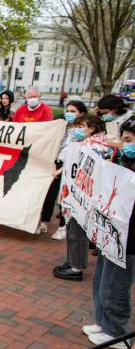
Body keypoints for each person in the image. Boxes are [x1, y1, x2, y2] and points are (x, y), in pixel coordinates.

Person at [84, 119, 135, 349]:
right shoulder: (122, 161)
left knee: (114, 285)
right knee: (101, 280)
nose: (122, 144)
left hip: (127, 238)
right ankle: (103, 323)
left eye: (128, 140)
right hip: (110, 231)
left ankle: (117, 331)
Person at [54, 113, 109, 280]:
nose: (77, 130)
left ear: (91, 128)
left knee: (77, 233)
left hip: (84, 197)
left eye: (81, 127)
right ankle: (72, 261)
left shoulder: (97, 147)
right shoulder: (82, 144)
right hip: (74, 193)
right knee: (72, 230)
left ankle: (76, 267)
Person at [47, 100, 88, 241]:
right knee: (49, 195)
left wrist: (62, 169)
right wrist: (53, 164)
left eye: (73, 111)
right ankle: (44, 221)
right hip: (56, 163)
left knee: (66, 197)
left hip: (71, 167)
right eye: (68, 111)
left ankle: (63, 226)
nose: (69, 114)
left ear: (81, 113)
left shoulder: (82, 132)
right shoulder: (61, 127)